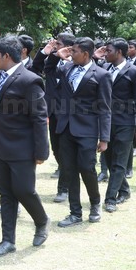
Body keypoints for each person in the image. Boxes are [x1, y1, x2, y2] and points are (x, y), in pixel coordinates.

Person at [0, 36, 50, 257]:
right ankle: (7, 240)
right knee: (6, 194)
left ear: (6, 56)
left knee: (24, 191)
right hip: (0, 146)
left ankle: (41, 220)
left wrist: (41, 152)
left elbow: (39, 117)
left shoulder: (30, 80)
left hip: (22, 147)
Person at [45, 37, 112, 227]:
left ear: (85, 54)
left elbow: (105, 108)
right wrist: (56, 56)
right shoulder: (67, 68)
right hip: (65, 128)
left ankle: (95, 203)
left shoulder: (101, 75)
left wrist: (104, 138)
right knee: (69, 170)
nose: (71, 54)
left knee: (87, 168)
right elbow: (48, 70)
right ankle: (75, 212)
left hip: (87, 130)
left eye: (74, 51)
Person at [93, 39, 136, 212]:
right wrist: (95, 57)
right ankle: (124, 190)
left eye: (109, 51)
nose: (106, 53)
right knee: (109, 160)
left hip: (126, 122)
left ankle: (110, 199)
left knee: (119, 162)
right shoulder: (104, 68)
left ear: (119, 52)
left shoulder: (135, 72)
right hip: (106, 123)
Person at [30, 34, 75, 201]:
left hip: (69, 114)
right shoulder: (51, 62)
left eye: (59, 44)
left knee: (65, 150)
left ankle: (63, 188)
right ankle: (65, 170)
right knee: (56, 148)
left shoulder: (75, 65)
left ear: (69, 47)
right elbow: (36, 66)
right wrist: (46, 51)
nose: (55, 47)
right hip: (53, 113)